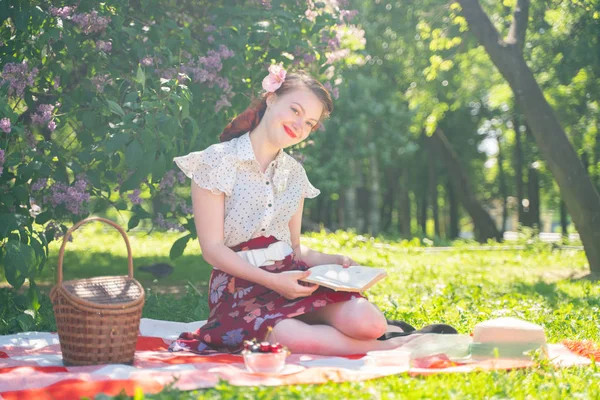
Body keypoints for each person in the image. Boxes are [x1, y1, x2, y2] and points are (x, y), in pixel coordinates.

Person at [168, 65, 452, 356]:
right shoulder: (217, 161)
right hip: (240, 288)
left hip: (293, 278)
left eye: (309, 123)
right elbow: (212, 249)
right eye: (295, 110)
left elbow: (294, 250)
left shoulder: (295, 174)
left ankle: (380, 334)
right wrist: (272, 281)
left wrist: (338, 260)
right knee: (292, 338)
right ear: (270, 98)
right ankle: (396, 345)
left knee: (369, 322)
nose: (299, 124)